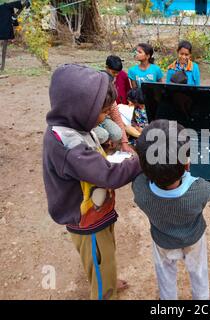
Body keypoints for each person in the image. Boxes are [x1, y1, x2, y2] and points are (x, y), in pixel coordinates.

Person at [42, 64, 142, 300]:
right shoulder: (66, 144)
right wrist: (141, 161)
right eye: (104, 111)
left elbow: (94, 158)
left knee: (105, 255)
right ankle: (104, 289)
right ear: (81, 109)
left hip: (97, 212)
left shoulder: (76, 125)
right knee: (99, 261)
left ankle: (107, 276)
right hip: (87, 221)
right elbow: (109, 175)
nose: (107, 116)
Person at [132, 120, 210, 300]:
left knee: (164, 274)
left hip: (162, 241)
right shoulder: (201, 189)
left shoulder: (140, 190)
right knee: (199, 271)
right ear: (187, 164)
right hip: (194, 238)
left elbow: (140, 175)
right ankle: (202, 298)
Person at [0, 0, 30, 71]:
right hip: (4, 28)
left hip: (4, 27)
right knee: (4, 44)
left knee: (4, 45)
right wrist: (25, 3)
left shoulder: (7, 5)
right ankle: (2, 66)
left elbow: (13, 12)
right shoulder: (7, 4)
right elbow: (17, 4)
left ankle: (2, 67)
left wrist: (15, 22)